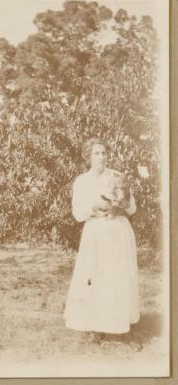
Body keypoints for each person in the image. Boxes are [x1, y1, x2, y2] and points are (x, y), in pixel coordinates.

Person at [63, 138, 140, 336]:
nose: (101, 157)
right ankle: (95, 327)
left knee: (116, 277)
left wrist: (123, 202)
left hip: (118, 232)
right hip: (95, 234)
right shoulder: (82, 181)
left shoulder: (117, 176)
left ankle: (118, 324)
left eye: (104, 153)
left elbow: (132, 208)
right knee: (94, 277)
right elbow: (77, 213)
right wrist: (93, 208)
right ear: (88, 157)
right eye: (96, 153)